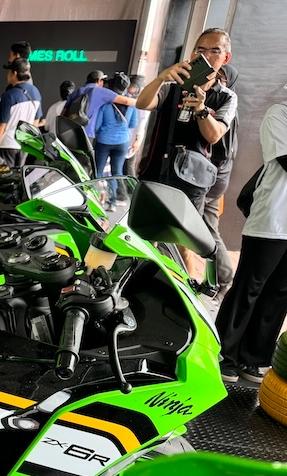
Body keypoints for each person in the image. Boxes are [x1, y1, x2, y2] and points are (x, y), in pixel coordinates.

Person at [214, 97, 287, 384]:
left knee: (280, 293)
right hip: (271, 220)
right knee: (249, 288)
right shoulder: (279, 114)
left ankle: (254, 358)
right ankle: (224, 354)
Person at [135, 28, 237, 213]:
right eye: (200, 50)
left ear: (226, 58)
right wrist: (160, 78)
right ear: (192, 54)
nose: (205, 56)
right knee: (144, 228)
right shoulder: (172, 87)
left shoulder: (226, 97)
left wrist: (201, 110)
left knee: (182, 231)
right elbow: (142, 103)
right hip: (155, 172)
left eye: (215, 51)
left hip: (191, 182)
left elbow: (214, 136)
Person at [201, 63, 239, 295]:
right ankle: (221, 278)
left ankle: (223, 278)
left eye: (221, 78)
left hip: (210, 180)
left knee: (204, 231)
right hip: (214, 179)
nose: (216, 81)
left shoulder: (226, 109)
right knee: (208, 230)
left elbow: (222, 151)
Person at [92, 73, 137, 209]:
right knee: (116, 172)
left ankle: (97, 200)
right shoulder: (131, 104)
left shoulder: (105, 104)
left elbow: (97, 126)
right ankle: (112, 203)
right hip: (122, 142)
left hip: (104, 141)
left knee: (98, 171)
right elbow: (133, 124)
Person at [0, 58, 41, 168]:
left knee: (5, 175)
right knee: (18, 175)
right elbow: (36, 121)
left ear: (14, 73)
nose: (7, 75)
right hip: (24, 144)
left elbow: (1, 125)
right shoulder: (36, 92)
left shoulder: (9, 95)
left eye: (9, 71)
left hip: (7, 144)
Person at [63, 70, 137, 141]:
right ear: (99, 80)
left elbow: (64, 111)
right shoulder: (99, 91)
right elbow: (126, 101)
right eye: (103, 81)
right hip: (87, 132)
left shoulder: (78, 91)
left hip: (70, 131)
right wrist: (140, 102)